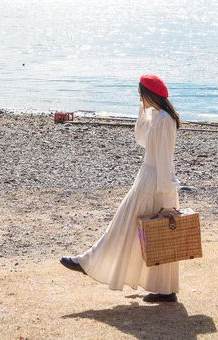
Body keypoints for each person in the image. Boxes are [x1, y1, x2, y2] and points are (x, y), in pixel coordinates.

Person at [60, 74, 181, 303]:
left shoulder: (164, 119)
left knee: (125, 227)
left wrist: (167, 199)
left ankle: (88, 261)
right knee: (151, 234)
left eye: (140, 94)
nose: (139, 98)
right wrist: (143, 111)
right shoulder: (159, 116)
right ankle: (165, 289)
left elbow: (164, 159)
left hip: (154, 182)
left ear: (148, 94)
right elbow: (143, 140)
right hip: (151, 179)